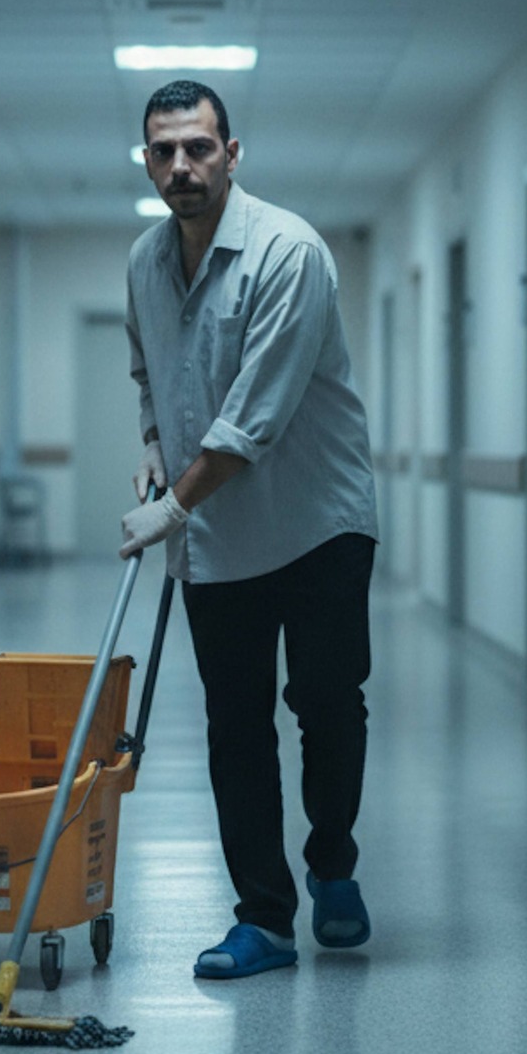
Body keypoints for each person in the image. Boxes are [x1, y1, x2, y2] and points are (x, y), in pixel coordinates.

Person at [120, 78, 379, 980]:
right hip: (218, 535)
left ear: (232, 154)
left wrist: (171, 503)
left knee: (325, 703)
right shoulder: (145, 264)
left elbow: (254, 421)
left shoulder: (287, 252)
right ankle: (264, 920)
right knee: (234, 727)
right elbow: (148, 372)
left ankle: (332, 865)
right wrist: (156, 446)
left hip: (317, 524)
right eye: (163, 150)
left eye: (198, 146)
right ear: (146, 161)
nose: (181, 165)